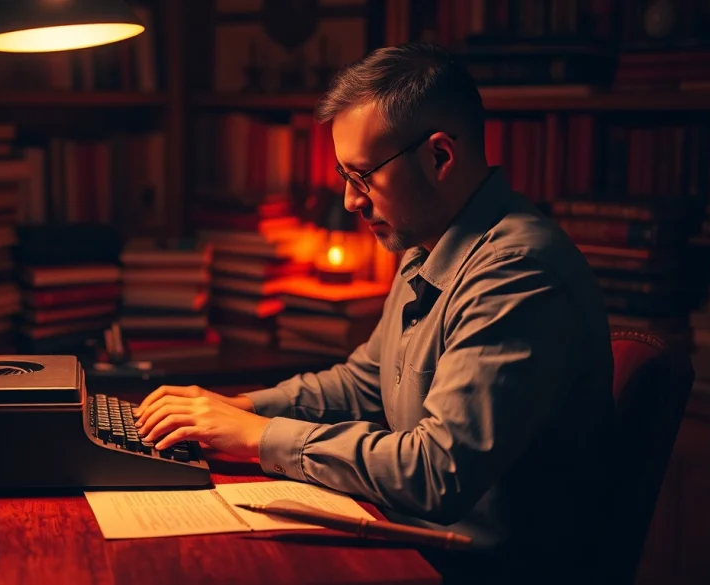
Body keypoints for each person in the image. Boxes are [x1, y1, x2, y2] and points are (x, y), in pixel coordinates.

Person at [134, 42, 615, 584]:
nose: (349, 201)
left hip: (470, 570)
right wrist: (233, 408)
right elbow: (362, 384)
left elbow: (437, 472)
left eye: (362, 176)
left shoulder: (517, 271)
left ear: (439, 157)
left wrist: (260, 435)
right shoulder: (426, 247)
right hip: (413, 545)